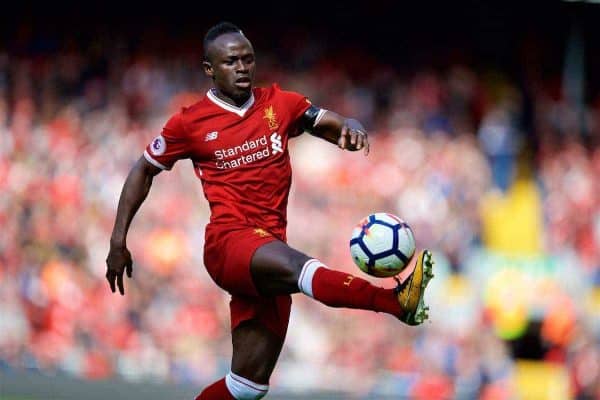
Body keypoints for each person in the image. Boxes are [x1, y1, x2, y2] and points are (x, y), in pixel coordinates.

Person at [106, 22, 434, 400]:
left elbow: (322, 121)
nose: (242, 68)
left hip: (268, 247)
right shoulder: (190, 122)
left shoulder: (280, 103)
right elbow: (144, 168)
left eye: (248, 59)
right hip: (229, 243)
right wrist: (118, 240)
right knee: (301, 268)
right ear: (209, 69)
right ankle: (394, 302)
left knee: (246, 387)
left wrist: (348, 126)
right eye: (231, 62)